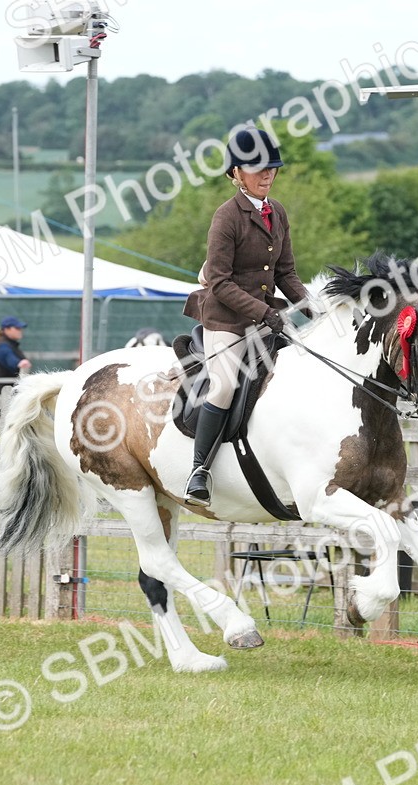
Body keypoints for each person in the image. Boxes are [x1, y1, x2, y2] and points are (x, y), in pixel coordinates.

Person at [180, 127, 313, 506]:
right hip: (225, 320)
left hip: (265, 318)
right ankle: (199, 471)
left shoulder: (278, 212)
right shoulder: (226, 217)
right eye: (257, 169)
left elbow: (286, 273)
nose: (267, 174)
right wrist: (263, 312)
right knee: (223, 386)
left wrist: (314, 307)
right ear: (236, 173)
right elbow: (219, 282)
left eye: (272, 168)